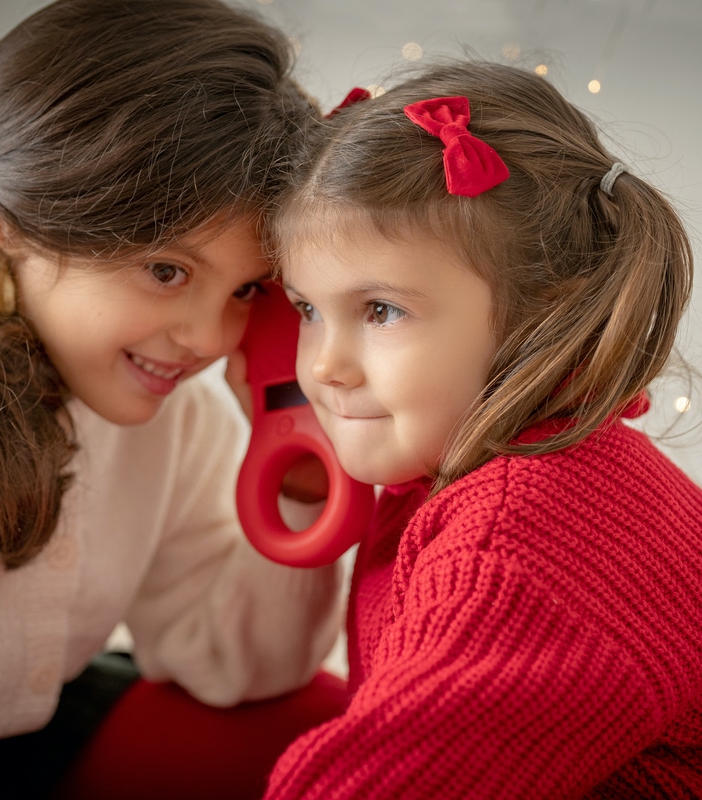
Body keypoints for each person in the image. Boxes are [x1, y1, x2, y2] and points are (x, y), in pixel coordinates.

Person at [0, 1, 350, 797]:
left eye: (246, 287)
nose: (210, 341)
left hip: (38, 743)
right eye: (167, 271)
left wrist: (298, 469)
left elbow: (228, 666)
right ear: (8, 221)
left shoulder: (183, 413)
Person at [261, 60, 702, 799]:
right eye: (308, 309)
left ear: (541, 315)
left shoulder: (520, 540)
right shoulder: (486, 471)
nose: (326, 367)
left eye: (381, 311)